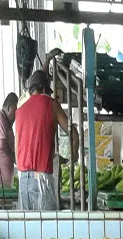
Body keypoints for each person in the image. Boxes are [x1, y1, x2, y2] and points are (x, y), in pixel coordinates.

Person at [14, 69, 76, 211]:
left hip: (23, 180)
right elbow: (74, 134)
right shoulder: (51, 104)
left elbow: (17, 151)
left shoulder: (20, 111)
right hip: (41, 179)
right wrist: (74, 157)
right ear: (44, 88)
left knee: (26, 229)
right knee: (47, 230)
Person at [0, 92, 18, 188]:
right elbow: (3, 144)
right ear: (9, 107)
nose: (15, 117)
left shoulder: (7, 123)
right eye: (15, 112)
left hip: (7, 176)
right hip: (0, 177)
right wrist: (15, 160)